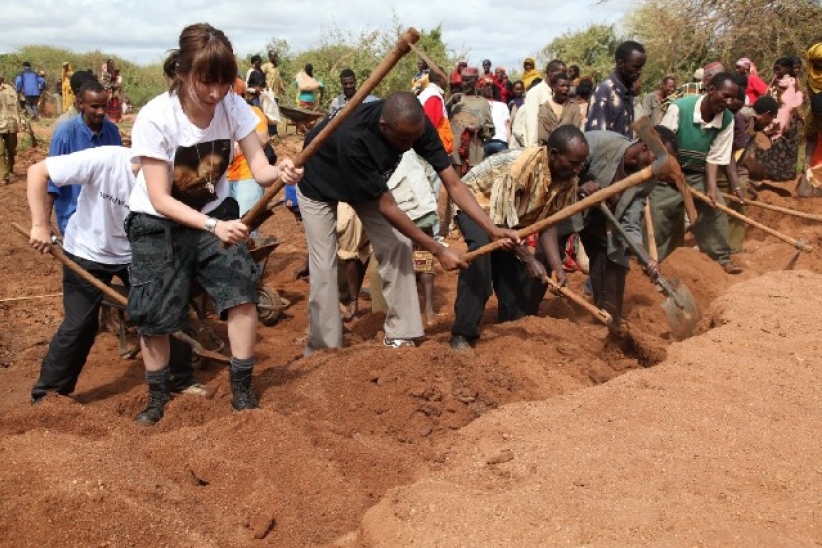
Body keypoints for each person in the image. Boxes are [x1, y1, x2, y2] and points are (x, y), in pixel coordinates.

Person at [125, 23, 302, 424]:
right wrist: (211, 226)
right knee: (152, 313)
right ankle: (157, 399)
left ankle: (241, 390)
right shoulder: (156, 118)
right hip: (159, 223)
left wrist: (282, 171)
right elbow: (159, 198)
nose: (216, 94)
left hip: (214, 211)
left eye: (224, 83)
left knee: (241, 289)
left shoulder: (234, 106)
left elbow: (259, 168)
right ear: (183, 73)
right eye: (206, 83)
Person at [295, 91, 519, 355]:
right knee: (323, 264)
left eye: (414, 138)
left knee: (399, 244)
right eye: (402, 139)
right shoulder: (354, 137)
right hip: (319, 181)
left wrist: (491, 229)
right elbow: (387, 206)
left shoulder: (416, 127)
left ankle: (401, 333)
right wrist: (437, 249)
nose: (408, 145)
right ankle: (324, 348)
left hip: (365, 182)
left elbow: (454, 184)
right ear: (383, 126)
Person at [27, 146, 206, 405]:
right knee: (80, 324)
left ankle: (181, 379)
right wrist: (39, 225)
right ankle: (48, 396)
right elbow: (37, 172)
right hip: (87, 251)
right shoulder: (105, 160)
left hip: (138, 253)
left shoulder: (173, 178)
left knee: (166, 309)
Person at [449, 125, 588, 350]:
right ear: (553, 154)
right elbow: (500, 220)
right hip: (476, 204)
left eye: (580, 163)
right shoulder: (521, 166)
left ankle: (511, 326)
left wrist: (556, 266)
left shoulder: (567, 179)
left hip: (508, 221)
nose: (577, 169)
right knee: (482, 259)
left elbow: (547, 223)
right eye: (573, 163)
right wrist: (528, 257)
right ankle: (462, 334)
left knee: (512, 271)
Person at [567, 128, 678, 326]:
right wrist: (579, 189)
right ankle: (524, 315)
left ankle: (608, 319)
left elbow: (631, 220)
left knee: (616, 257)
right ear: (645, 147)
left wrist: (645, 257)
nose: (661, 167)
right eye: (660, 159)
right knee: (545, 257)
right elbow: (561, 175)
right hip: (565, 208)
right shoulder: (600, 142)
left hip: (599, 218)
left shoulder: (648, 179)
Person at [652, 71, 742, 274]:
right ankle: (656, 260)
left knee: (714, 209)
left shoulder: (727, 120)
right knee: (660, 212)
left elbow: (715, 157)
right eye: (725, 95)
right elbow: (662, 145)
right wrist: (674, 175)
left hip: (697, 173)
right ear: (711, 90)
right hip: (667, 171)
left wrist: (711, 188)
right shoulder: (680, 108)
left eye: (733, 97)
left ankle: (720, 258)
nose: (729, 101)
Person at [48, 80, 122, 236]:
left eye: (104, 106)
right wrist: (43, 223)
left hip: (104, 216)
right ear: (80, 104)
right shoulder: (65, 134)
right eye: (95, 106)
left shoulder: (112, 131)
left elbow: (118, 173)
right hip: (73, 217)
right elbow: (52, 183)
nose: (101, 112)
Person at [226, 89, 270, 236]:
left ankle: (250, 258)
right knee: (226, 228)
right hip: (221, 180)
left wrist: (240, 133)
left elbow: (263, 139)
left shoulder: (252, 112)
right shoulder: (214, 116)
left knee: (247, 227)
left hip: (247, 176)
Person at [753, 57, 804, 181]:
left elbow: (791, 104)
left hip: (787, 120)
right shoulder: (775, 81)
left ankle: (783, 175)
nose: (776, 72)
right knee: (767, 145)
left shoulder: (793, 83)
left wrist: (785, 119)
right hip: (772, 117)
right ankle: (765, 172)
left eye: (778, 69)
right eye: (775, 69)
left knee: (784, 147)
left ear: (786, 69)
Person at [585, 41, 646, 138]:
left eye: (642, 67)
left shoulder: (628, 93)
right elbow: (597, 140)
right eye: (636, 67)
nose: (639, 72)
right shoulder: (604, 92)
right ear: (620, 63)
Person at [511, 59, 567, 147]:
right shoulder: (535, 92)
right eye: (562, 73)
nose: (564, 76)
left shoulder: (559, 93)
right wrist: (533, 148)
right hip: (539, 146)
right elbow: (531, 123)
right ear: (550, 72)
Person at [449, 67, 494, 175]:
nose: (464, 83)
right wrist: (450, 103)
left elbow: (491, 131)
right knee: (454, 189)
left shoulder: (482, 103)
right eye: (463, 80)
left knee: (472, 189)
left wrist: (479, 130)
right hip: (454, 157)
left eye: (468, 80)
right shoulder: (456, 100)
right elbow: (442, 120)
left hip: (474, 156)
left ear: (476, 81)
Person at [537, 72, 582, 146]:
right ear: (553, 86)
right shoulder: (544, 109)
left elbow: (575, 132)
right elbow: (542, 136)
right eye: (562, 85)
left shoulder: (574, 108)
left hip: (569, 149)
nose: (566, 88)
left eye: (568, 86)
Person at [0, 72, 24, 184]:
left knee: (11, 150)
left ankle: (10, 167)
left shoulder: (10, 90)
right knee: (0, 152)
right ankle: (4, 177)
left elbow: (18, 107)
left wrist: (22, 120)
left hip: (11, 124)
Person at [482, 79, 510, 157]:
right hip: (501, 142)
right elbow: (507, 126)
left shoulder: (481, 105)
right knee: (503, 168)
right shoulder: (503, 105)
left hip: (486, 142)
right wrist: (510, 144)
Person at [294, 63, 324, 132]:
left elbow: (296, 84)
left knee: (302, 116)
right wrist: (321, 99)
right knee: (310, 116)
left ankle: (302, 130)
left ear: (305, 70)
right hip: (311, 101)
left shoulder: (302, 79)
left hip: (302, 100)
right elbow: (322, 86)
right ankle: (308, 129)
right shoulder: (313, 80)